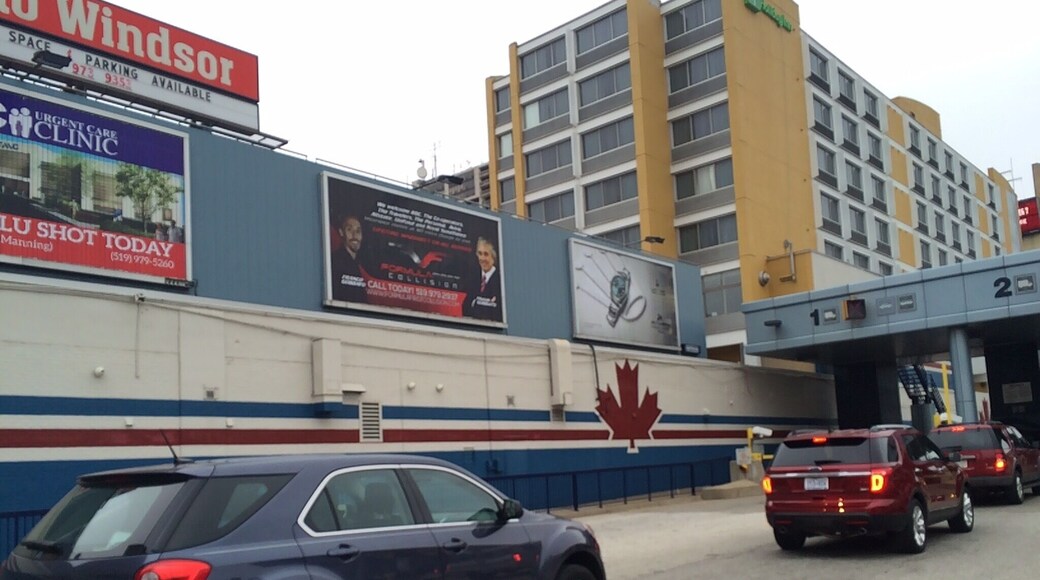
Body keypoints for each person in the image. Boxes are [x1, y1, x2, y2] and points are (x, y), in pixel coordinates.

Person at [330, 214, 368, 303]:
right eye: (349, 229)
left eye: (358, 231)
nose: (354, 235)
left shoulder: (362, 263)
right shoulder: (336, 261)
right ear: (341, 232)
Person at [463, 237, 501, 321]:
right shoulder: (472, 277)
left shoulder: (500, 281)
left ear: (493, 257)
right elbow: (465, 306)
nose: (482, 258)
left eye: (486, 254)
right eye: (480, 253)